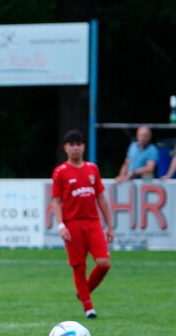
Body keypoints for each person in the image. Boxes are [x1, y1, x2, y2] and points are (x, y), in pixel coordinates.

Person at [50, 129, 114, 320]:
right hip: (73, 224)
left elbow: (101, 197)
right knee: (79, 267)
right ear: (65, 148)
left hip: (93, 223)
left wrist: (109, 226)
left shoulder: (92, 169)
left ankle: (83, 291)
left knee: (104, 263)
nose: (75, 147)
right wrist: (61, 226)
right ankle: (89, 308)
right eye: (71, 144)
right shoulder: (60, 172)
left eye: (78, 144)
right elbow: (56, 201)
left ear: (84, 146)